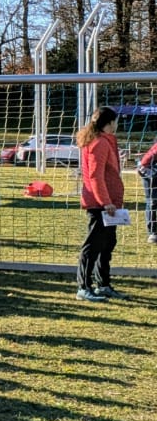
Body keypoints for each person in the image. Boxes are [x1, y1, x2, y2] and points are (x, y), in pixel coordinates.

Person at [76, 107, 124, 302]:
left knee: (107, 244)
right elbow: (95, 176)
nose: (117, 124)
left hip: (109, 203)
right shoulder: (99, 143)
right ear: (110, 122)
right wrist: (106, 202)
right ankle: (83, 287)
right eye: (116, 121)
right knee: (93, 245)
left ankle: (103, 284)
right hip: (100, 204)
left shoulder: (103, 140)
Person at [138, 136, 157, 247]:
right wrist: (151, 174)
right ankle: (152, 233)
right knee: (152, 202)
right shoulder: (154, 150)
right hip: (149, 172)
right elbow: (144, 164)